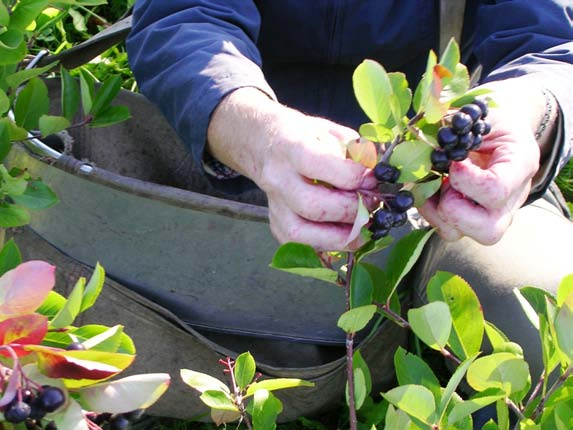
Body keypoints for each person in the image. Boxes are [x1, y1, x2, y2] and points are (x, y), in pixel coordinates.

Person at [124, 0, 573, 423]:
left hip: (441, 185)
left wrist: (521, 115)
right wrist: (254, 134)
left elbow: (551, 46)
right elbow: (182, 16)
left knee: (542, 311)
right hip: (235, 156)